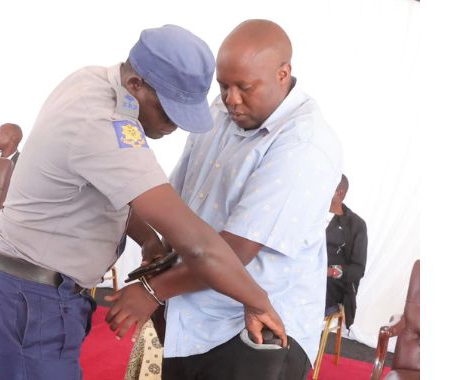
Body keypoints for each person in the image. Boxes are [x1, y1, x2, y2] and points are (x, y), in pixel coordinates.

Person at [0, 24, 287, 380]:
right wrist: (258, 301)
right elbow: (198, 246)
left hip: (26, 287)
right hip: (32, 298)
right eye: (169, 112)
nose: (175, 127)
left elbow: (107, 187)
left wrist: (149, 240)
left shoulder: (91, 80)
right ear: (136, 85)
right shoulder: (103, 125)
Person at [108, 19, 343, 380]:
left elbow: (236, 251)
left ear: (283, 74)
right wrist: (159, 247)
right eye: (224, 85)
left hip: (254, 331)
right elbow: (181, 197)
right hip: (193, 317)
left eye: (244, 87)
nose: (231, 99)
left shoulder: (304, 144)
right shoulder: (222, 108)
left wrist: (154, 290)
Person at [325, 174, 367, 329]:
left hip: (331, 287)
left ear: (339, 193)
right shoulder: (307, 215)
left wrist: (328, 272)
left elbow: (357, 270)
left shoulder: (356, 226)